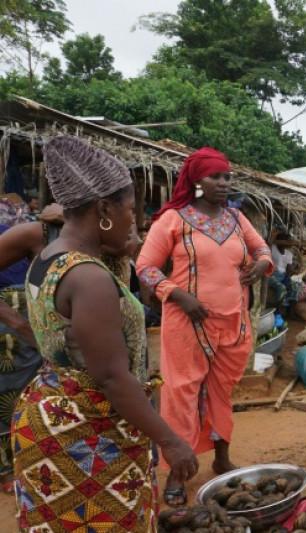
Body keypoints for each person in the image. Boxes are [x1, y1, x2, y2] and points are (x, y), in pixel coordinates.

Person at [14, 136, 198, 530]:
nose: (136, 220)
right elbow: (113, 378)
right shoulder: (89, 278)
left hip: (48, 415)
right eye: (130, 209)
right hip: (87, 435)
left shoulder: (49, 254)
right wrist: (170, 440)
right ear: (103, 210)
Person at [136, 147, 273, 506]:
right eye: (216, 177)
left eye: (227, 177)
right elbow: (146, 267)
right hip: (187, 324)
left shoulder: (237, 219)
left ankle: (222, 458)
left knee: (221, 393)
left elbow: (263, 251)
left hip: (233, 323)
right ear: (197, 181)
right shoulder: (173, 220)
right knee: (180, 396)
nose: (224, 183)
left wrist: (261, 265)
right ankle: (177, 476)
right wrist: (178, 295)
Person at [269, 232, 295, 314]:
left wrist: (288, 278)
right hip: (271, 275)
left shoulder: (289, 254)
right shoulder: (272, 249)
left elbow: (289, 270)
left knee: (294, 287)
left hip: (283, 275)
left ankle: (290, 311)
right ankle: (276, 312)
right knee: (281, 288)